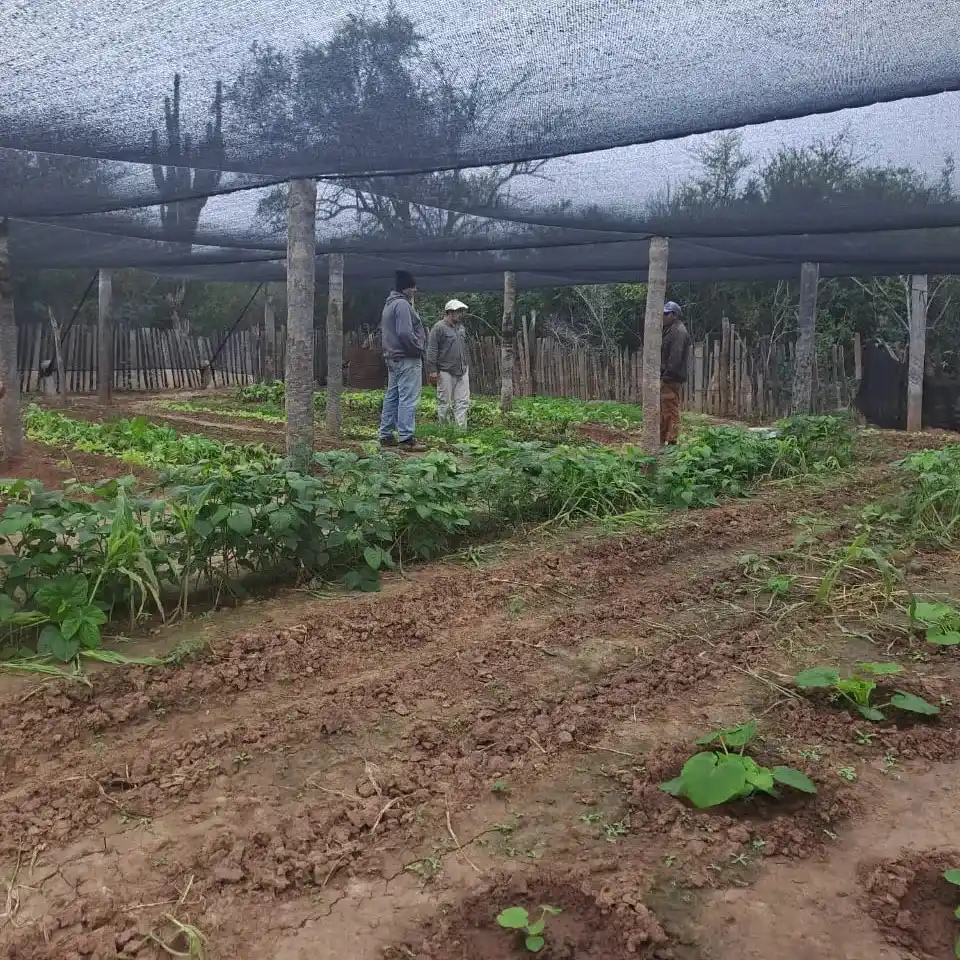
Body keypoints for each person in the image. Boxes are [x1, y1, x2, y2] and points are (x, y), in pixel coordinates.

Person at [379, 271, 426, 449]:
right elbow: (405, 332)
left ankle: (386, 435)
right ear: (407, 288)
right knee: (408, 397)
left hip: (392, 357)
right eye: (413, 287)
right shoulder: (402, 305)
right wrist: (417, 348)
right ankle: (406, 438)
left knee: (393, 395)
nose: (415, 290)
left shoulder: (389, 305)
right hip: (406, 357)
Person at [426, 299, 471, 428]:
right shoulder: (438, 327)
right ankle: (445, 429)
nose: (460, 314)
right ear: (449, 312)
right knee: (444, 402)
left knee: (463, 401)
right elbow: (432, 349)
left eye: (460, 311)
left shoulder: (461, 328)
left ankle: (461, 429)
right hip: (445, 370)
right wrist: (432, 370)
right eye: (457, 311)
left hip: (462, 369)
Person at [660, 301, 691, 446]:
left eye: (666, 313)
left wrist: (667, 376)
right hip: (669, 375)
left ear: (674, 315)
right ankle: (665, 438)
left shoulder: (678, 331)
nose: (663, 316)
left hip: (672, 377)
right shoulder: (671, 329)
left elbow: (675, 356)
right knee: (665, 408)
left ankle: (672, 441)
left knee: (671, 409)